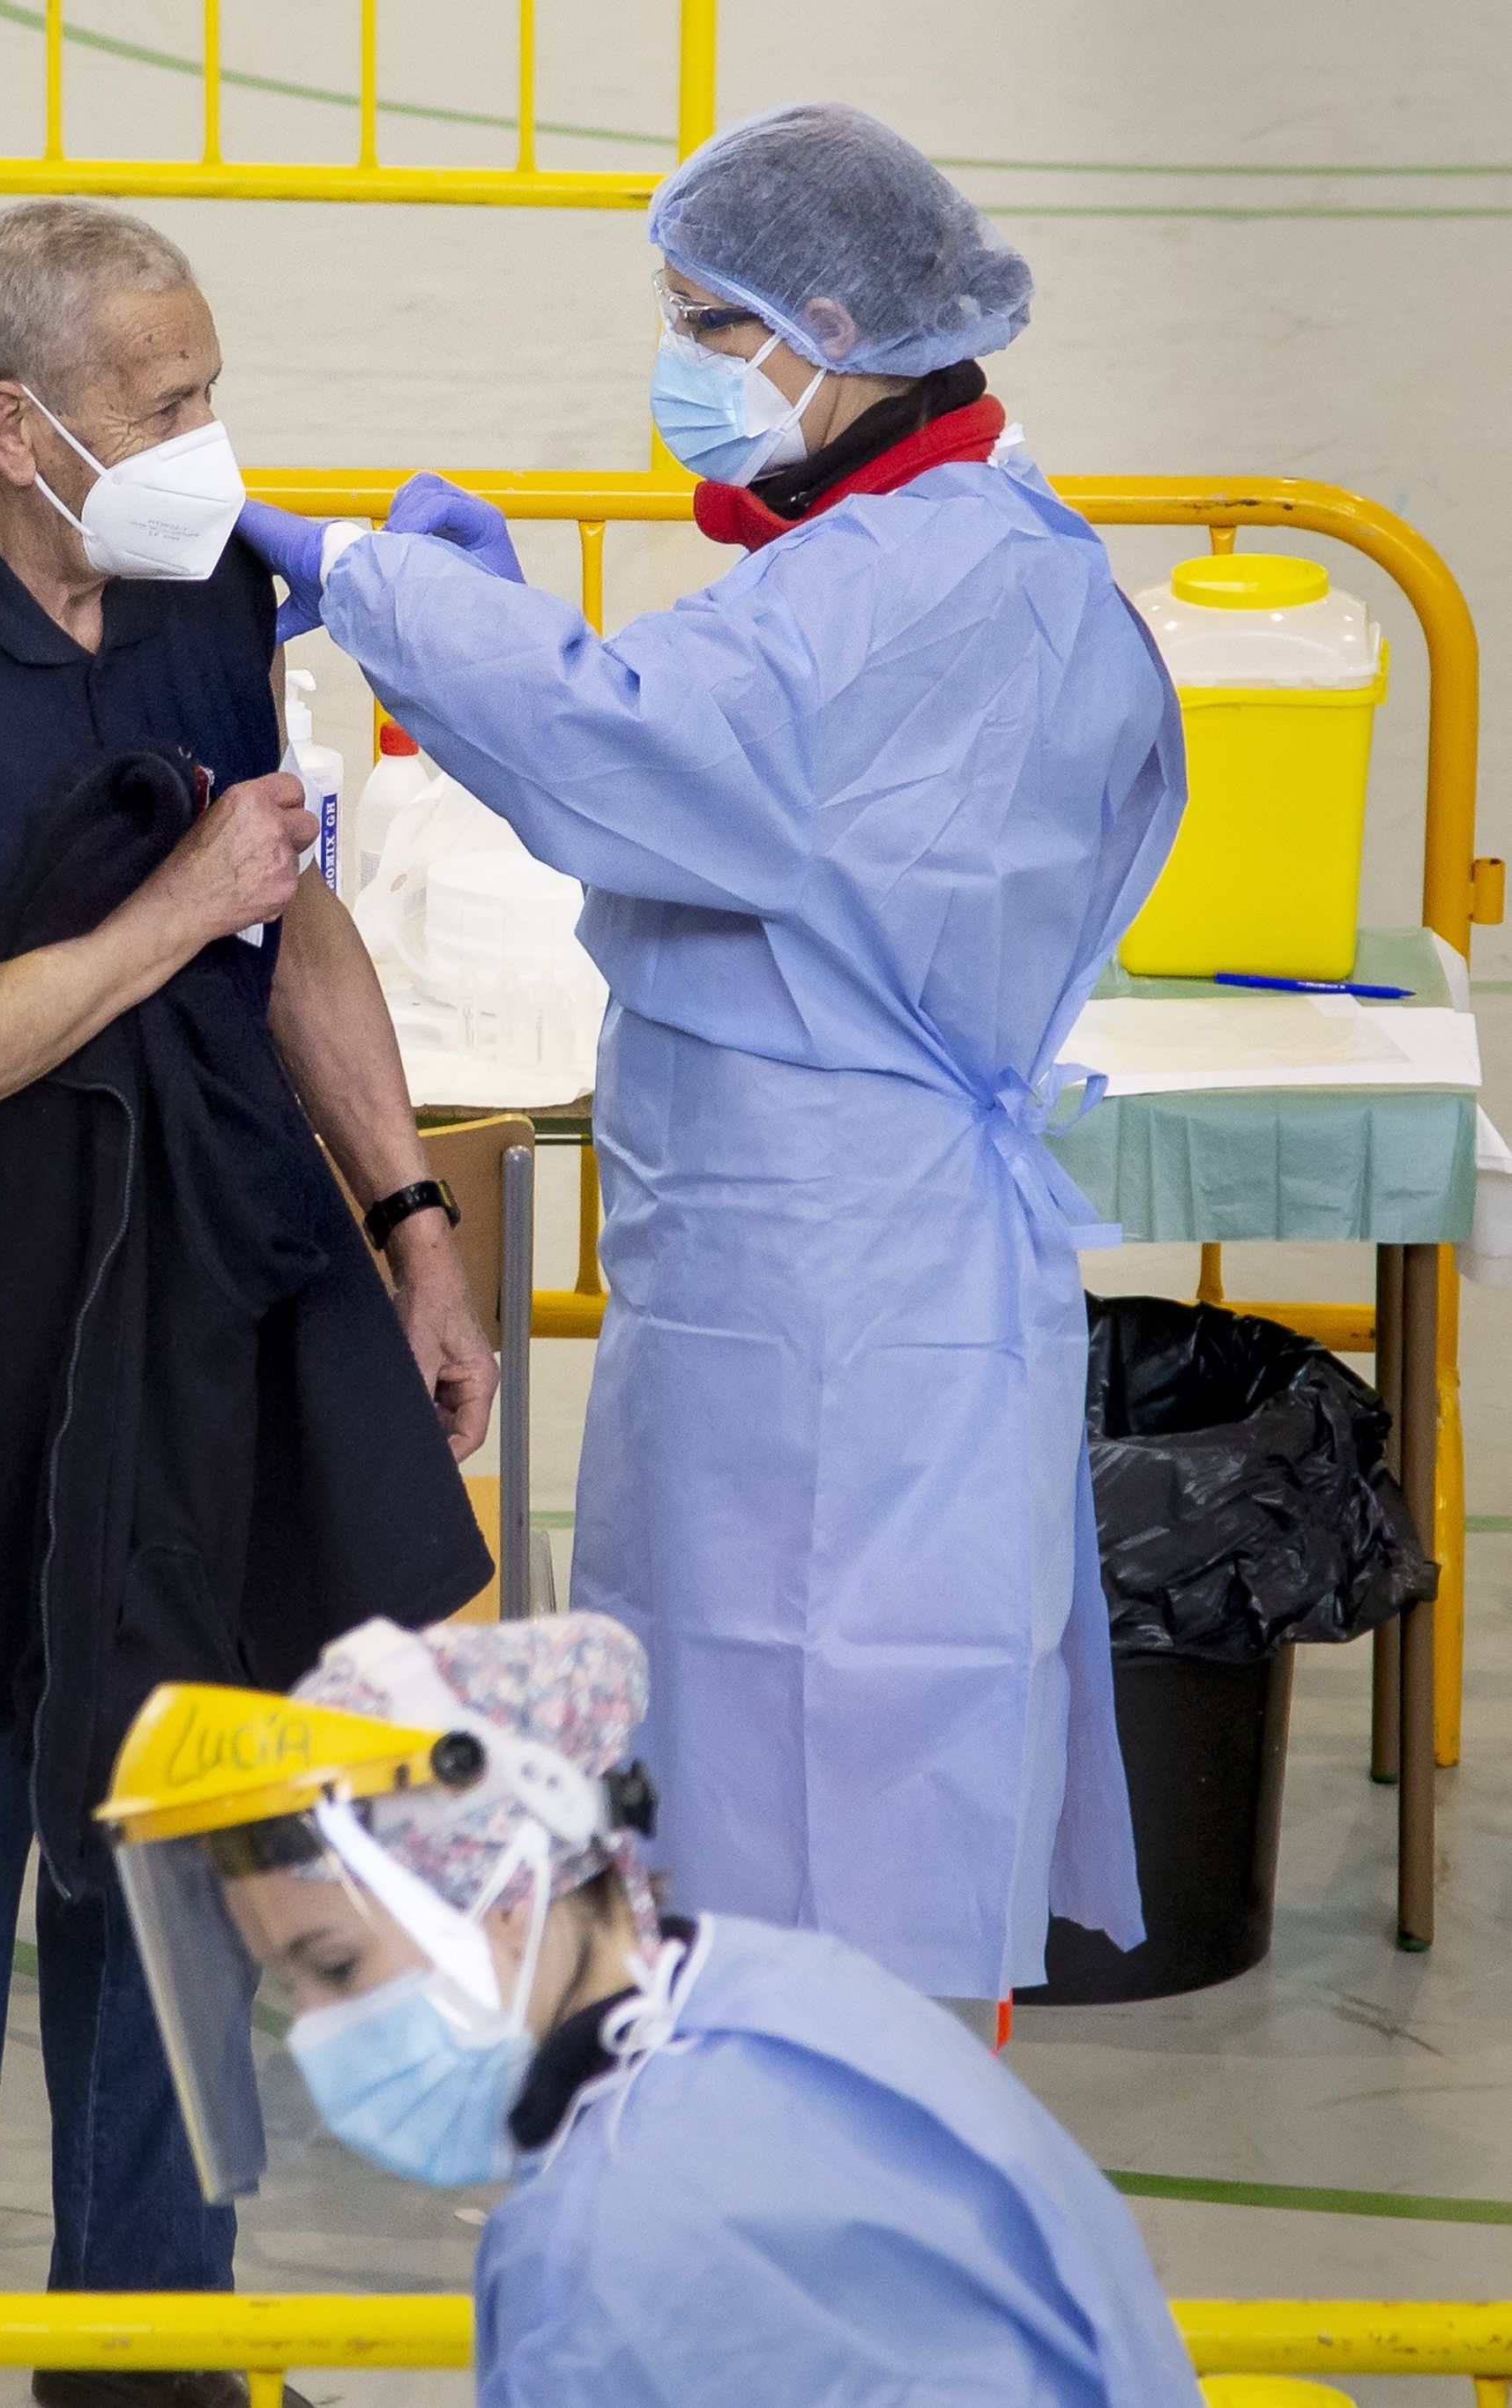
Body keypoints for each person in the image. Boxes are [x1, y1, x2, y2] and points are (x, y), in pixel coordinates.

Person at [234, 103, 1187, 2016]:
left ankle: (826, 2151)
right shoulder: (969, 550)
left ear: (824, 330)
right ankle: (793, 2107)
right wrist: (497, 633)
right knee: (775, 1746)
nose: (678, 363)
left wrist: (383, 589)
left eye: (701, 320)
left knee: (818, 1774)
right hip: (837, 1264)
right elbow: (726, 772)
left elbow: (639, 753)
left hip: (826, 1284)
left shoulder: (896, 591)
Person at [0, 198, 495, 2408]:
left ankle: (145, 2358)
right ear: (15, 426)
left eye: (211, 389)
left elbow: (298, 924)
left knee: (176, 1839)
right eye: (166, 405)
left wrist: (409, 1220)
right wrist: (179, 911)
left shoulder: (205, 583)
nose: (211, 438)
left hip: (181, 1294)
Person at [93, 1614, 1203, 2407]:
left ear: (507, 1891)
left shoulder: (604, 2242)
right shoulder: (786, 1996)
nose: (317, 2028)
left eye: (330, 1965)